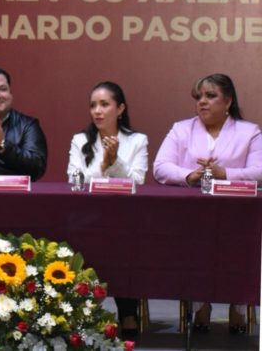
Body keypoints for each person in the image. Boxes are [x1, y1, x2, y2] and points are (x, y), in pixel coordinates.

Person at [153, 73, 262, 334]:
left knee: (238, 246)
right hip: (192, 217)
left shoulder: (249, 132)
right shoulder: (181, 129)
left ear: (228, 101)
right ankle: (200, 303)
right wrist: (189, 175)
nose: (202, 102)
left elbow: (260, 171)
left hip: (237, 217)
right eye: (199, 97)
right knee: (196, 244)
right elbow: (160, 167)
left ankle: (238, 305)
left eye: (210, 96)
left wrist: (225, 173)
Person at [67, 81, 147, 338]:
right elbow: (74, 179)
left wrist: (116, 162)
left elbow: (138, 181)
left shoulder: (137, 140)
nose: (97, 111)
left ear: (120, 109)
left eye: (104, 104)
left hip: (124, 216)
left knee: (125, 242)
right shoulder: (80, 140)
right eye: (93, 105)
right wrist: (104, 166)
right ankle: (83, 311)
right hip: (87, 214)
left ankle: (128, 313)